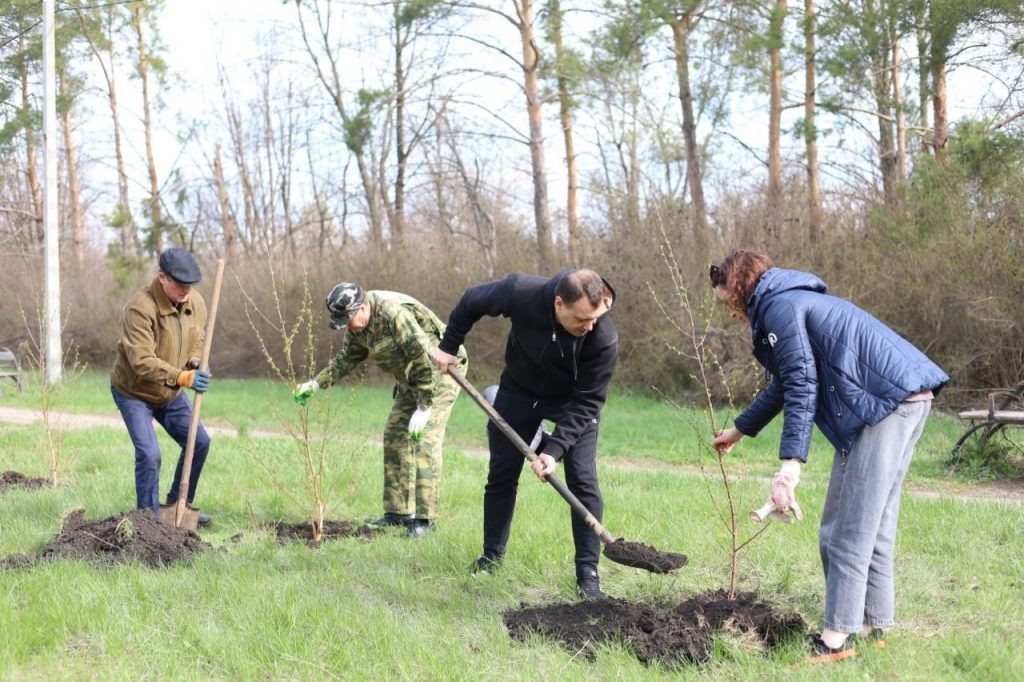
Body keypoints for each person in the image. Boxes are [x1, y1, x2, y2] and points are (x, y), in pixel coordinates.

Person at [709, 249, 948, 663]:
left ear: (739, 287)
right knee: (874, 523)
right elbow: (785, 383)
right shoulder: (793, 299)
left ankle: (835, 639)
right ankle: (871, 629)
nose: (731, 312)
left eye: (727, 301)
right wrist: (740, 429)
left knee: (843, 529)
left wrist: (789, 467)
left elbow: (802, 383)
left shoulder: (780, 308)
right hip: (907, 398)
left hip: (882, 405)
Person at [431, 269, 618, 600]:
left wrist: (553, 451)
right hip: (519, 391)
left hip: (572, 403)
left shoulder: (602, 336)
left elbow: (587, 402)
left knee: (583, 481)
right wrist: (448, 347)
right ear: (559, 304)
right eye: (581, 319)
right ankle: (491, 557)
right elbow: (471, 302)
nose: (589, 326)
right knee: (501, 475)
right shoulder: (520, 292)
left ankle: (587, 574)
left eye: (593, 319)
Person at [293, 283, 468, 538]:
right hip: (411, 377)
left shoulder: (391, 313)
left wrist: (424, 407)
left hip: (441, 371)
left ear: (362, 307)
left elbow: (423, 358)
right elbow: (347, 358)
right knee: (395, 434)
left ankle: (426, 521)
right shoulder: (357, 325)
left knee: (426, 439)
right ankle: (398, 514)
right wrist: (316, 383)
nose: (348, 327)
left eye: (349, 320)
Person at [111, 248, 213, 526]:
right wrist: (182, 377)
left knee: (199, 442)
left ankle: (178, 506)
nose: (186, 291)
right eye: (179, 285)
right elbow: (141, 361)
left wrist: (195, 362)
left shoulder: (196, 302)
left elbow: (198, 338)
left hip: (169, 393)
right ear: (162, 278)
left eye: (190, 285)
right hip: (134, 392)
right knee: (149, 455)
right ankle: (148, 521)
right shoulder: (139, 308)